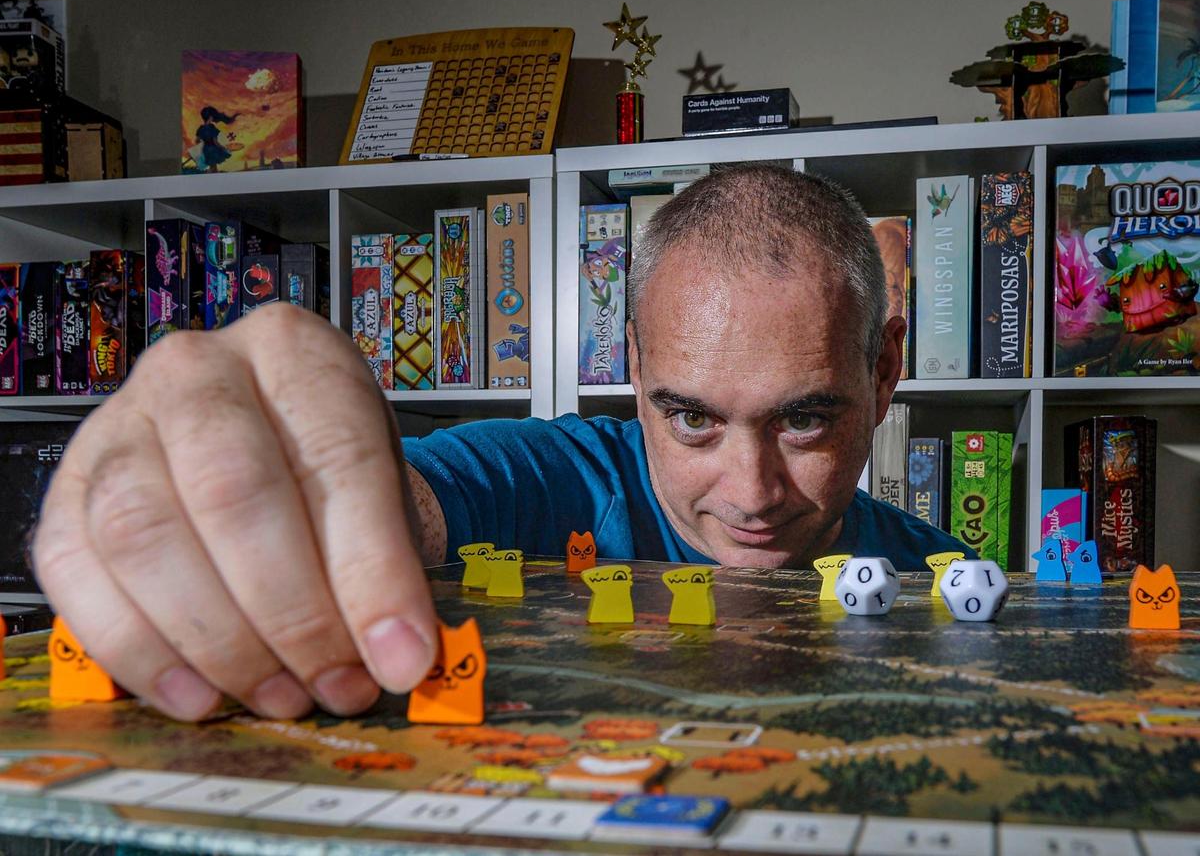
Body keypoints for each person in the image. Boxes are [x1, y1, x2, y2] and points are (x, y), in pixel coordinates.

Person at [32, 164, 970, 725]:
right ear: (635, 366)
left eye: (804, 418)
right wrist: (272, 479)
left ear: (885, 370)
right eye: (692, 417)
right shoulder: (544, 476)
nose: (752, 489)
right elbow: (408, 507)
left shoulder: (949, 585)